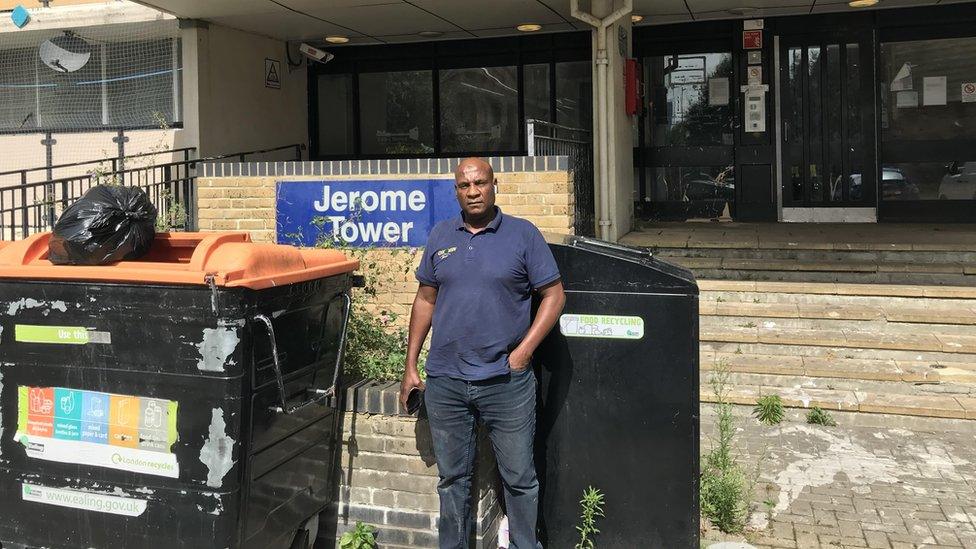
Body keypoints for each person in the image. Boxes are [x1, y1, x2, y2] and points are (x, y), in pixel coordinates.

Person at [400, 157, 566, 549]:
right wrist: (411, 366)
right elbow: (425, 300)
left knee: (520, 479)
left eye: (480, 183)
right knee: (452, 481)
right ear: (455, 190)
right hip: (446, 382)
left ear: (494, 185)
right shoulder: (441, 236)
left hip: (505, 383)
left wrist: (523, 352)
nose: (472, 191)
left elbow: (554, 296)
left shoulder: (523, 235)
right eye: (464, 185)